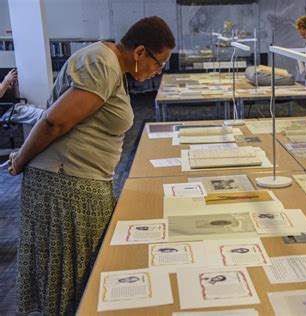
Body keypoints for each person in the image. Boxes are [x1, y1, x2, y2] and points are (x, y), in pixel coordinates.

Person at [8, 16, 175, 315]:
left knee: (83, 280)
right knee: (73, 284)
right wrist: (20, 160)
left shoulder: (111, 66)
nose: (158, 71)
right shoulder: (102, 63)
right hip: (65, 185)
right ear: (139, 52)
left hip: (81, 183)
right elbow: (54, 121)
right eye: (159, 63)